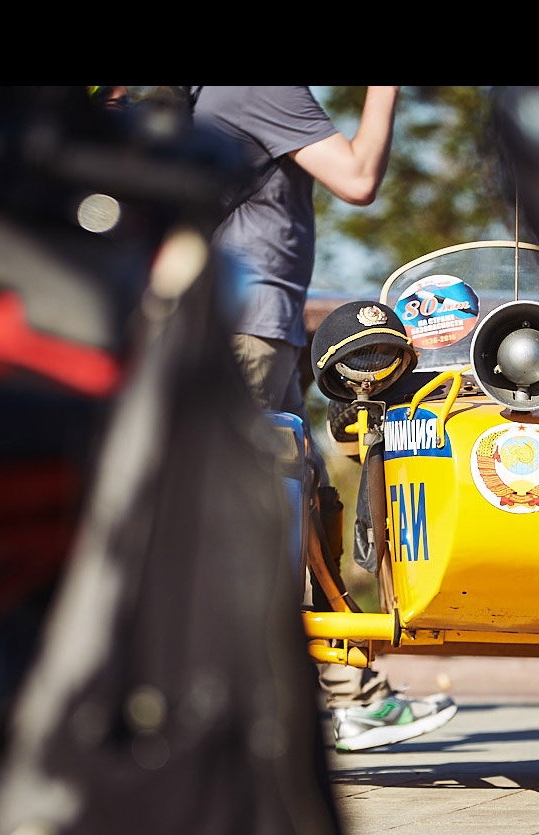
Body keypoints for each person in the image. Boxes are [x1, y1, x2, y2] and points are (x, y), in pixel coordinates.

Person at [192, 85, 458, 753]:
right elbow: (358, 178)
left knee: (309, 508)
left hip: (262, 328)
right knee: (264, 515)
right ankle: (248, 709)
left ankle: (349, 694)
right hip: (250, 331)